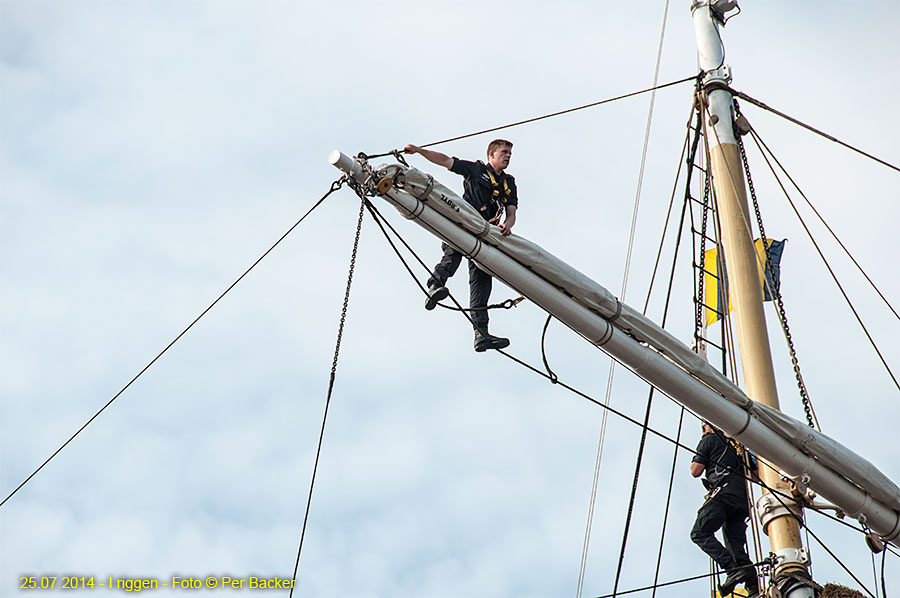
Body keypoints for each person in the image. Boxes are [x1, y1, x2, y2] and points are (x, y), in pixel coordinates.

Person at [403, 139, 518, 352]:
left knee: (482, 281)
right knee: (452, 256)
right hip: (464, 222)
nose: (508, 156)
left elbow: (511, 213)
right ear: (491, 154)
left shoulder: (509, 183)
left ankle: (480, 333)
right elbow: (446, 160)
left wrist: (507, 226)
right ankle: (434, 287)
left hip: (486, 234)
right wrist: (419, 151)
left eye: (510, 153)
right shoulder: (475, 170)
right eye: (504, 152)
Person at [690, 420, 760, 598]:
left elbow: (695, 471)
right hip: (742, 501)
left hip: (723, 494)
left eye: (703, 427)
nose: (703, 431)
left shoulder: (709, 440)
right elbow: (756, 476)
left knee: (699, 533)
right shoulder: (741, 448)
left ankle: (732, 569)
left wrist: (703, 450)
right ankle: (753, 588)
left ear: (710, 425)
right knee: (735, 543)